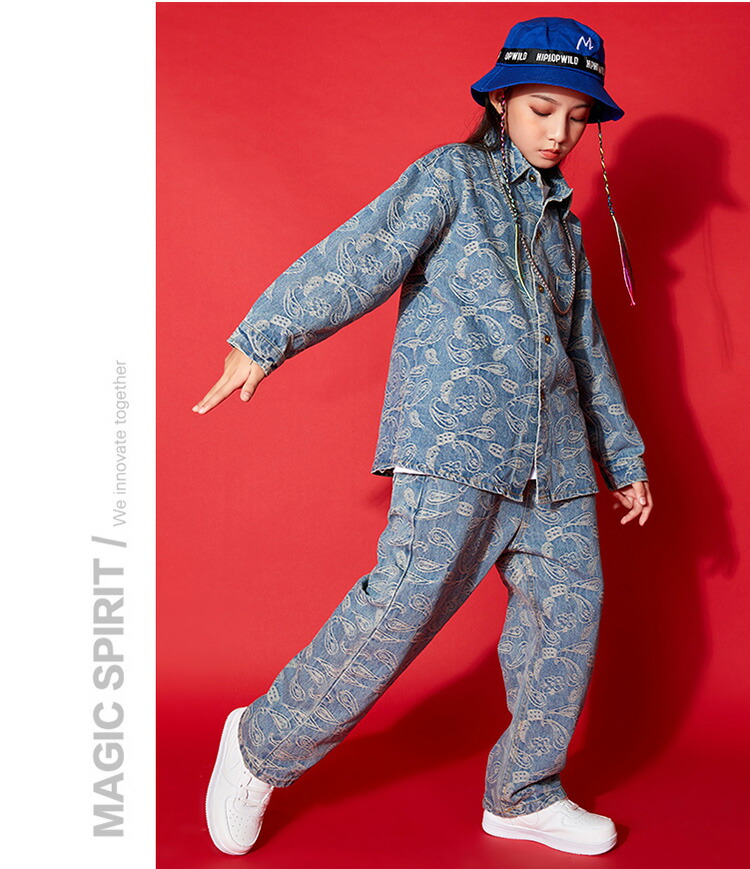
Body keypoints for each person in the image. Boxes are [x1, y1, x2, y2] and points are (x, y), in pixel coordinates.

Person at [195, 16, 653, 858]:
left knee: (567, 616)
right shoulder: (451, 177)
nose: (559, 132)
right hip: (457, 442)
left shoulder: (566, 227)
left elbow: (586, 344)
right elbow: (362, 255)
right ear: (500, 101)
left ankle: (522, 793)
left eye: (577, 116)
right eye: (542, 110)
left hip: (555, 460)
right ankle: (260, 743)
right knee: (401, 607)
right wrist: (264, 335)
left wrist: (621, 455)